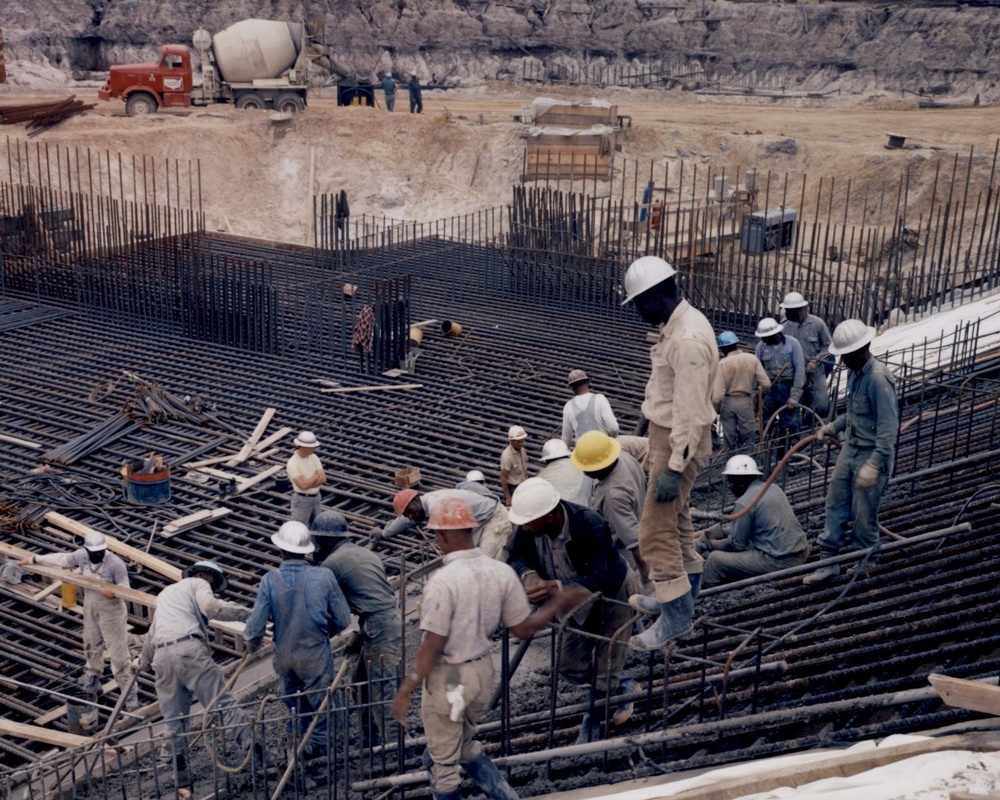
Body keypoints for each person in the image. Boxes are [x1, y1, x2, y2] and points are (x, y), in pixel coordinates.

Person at [392, 497, 587, 800]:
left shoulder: (442, 582)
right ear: (472, 529)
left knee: (443, 766)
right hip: (482, 675)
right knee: (465, 743)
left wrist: (407, 688)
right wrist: (556, 605)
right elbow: (521, 629)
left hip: (450, 681)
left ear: (442, 536)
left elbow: (433, 645)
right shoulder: (500, 572)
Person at [620, 256, 718, 651]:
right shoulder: (676, 326)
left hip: (680, 444)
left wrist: (675, 467)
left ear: (659, 294)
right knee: (676, 522)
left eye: (641, 303)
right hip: (669, 437)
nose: (640, 312)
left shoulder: (687, 340)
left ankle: (675, 619)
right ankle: (679, 598)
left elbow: (691, 413)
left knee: (655, 532)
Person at [506, 478, 638, 743]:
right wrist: (529, 576)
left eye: (530, 522)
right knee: (570, 666)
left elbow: (602, 578)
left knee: (606, 662)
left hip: (611, 594)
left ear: (550, 516)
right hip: (570, 600)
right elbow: (515, 556)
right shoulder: (530, 528)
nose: (525, 527)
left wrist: (554, 586)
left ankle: (593, 721)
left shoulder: (590, 524)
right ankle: (622, 684)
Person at [138, 561, 267, 774]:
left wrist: (141, 664)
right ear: (206, 576)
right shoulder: (198, 584)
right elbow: (212, 608)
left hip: (162, 657)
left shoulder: (166, 594)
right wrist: (249, 614)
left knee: (174, 718)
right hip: (188, 649)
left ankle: (179, 773)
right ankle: (258, 754)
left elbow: (152, 635)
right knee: (222, 704)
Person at [244, 522, 350, 761]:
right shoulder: (324, 576)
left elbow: (254, 627)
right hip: (313, 654)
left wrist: (251, 641)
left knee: (294, 707)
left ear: (281, 550)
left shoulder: (270, 580)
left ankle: (296, 749)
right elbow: (343, 619)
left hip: (283, 657)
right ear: (308, 550)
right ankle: (318, 752)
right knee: (322, 706)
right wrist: (323, 632)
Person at [804, 319, 898, 585]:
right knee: (835, 500)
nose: (842, 360)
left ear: (861, 350)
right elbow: (855, 412)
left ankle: (867, 561)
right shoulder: (855, 372)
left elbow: (888, 429)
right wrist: (833, 427)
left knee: (863, 510)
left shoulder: (879, 379)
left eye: (845, 355)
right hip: (852, 448)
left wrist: (875, 463)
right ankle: (829, 562)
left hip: (872, 453)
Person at [18, 532, 138, 710]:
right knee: (91, 643)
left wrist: (114, 590)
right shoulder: (81, 557)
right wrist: (34, 559)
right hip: (90, 605)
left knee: (118, 653)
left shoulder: (115, 563)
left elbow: (126, 588)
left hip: (111, 611)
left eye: (101, 552)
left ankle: (129, 695)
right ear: (87, 550)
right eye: (94, 552)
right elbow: (61, 559)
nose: (97, 555)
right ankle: (93, 680)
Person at [312, 511, 402, 748]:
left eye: (318, 540)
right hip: (381, 621)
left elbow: (328, 606)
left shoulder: (332, 563)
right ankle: (369, 737)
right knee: (360, 680)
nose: (316, 546)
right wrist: (361, 635)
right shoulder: (362, 552)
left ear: (326, 539)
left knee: (383, 690)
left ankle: (398, 748)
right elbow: (371, 596)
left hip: (379, 624)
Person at [696, 455, 809, 587]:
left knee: (715, 559)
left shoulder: (744, 502)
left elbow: (736, 545)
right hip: (801, 551)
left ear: (740, 481)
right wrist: (721, 530)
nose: (729, 486)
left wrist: (709, 544)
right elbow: (756, 527)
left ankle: (710, 593)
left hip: (780, 561)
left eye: (731, 481)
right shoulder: (772, 488)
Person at [570, 431, 649, 584]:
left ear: (596, 468)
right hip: (640, 519)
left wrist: (647, 580)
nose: (584, 471)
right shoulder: (624, 458)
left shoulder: (613, 496)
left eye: (586, 467)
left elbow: (634, 542)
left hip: (624, 554)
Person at [386, 488, 512, 561]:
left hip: (494, 517)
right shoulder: (422, 504)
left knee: (484, 562)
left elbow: (454, 541)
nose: (411, 516)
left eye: (410, 512)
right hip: (479, 520)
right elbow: (406, 520)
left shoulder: (436, 507)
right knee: (469, 560)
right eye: (407, 514)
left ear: (416, 499)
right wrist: (384, 533)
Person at [712, 330, 771, 452]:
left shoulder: (722, 364)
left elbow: (717, 396)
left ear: (722, 349)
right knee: (747, 436)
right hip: (746, 401)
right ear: (736, 344)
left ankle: (730, 462)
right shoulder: (752, 359)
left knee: (729, 437)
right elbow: (766, 384)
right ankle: (746, 461)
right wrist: (756, 397)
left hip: (728, 403)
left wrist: (713, 411)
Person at [754, 317, 806, 452]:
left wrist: (794, 396)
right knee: (765, 419)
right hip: (770, 387)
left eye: (766, 337)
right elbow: (757, 369)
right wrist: (756, 394)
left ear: (775, 334)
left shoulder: (792, 344)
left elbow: (800, 369)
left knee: (789, 421)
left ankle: (787, 451)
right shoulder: (761, 346)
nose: (763, 340)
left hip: (787, 387)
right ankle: (766, 448)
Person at [780, 292, 833, 417]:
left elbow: (829, 346)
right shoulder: (785, 326)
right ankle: (800, 428)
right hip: (795, 373)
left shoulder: (817, 324)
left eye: (789, 311)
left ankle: (810, 424)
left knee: (820, 405)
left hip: (815, 371)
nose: (787, 314)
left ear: (800, 310)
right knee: (794, 405)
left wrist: (816, 360)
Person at [561, 369, 619, 446]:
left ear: (572, 388)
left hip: (583, 452)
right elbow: (614, 428)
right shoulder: (600, 398)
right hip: (604, 447)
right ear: (588, 382)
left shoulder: (568, 406)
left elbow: (566, 439)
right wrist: (610, 440)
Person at [537, 438, 594, 507]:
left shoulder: (541, 477)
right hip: (584, 512)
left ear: (546, 460)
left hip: (559, 514)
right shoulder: (583, 468)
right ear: (567, 454)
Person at [287, 431, 326, 527]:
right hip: (302, 500)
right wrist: (315, 477)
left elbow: (323, 479)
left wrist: (308, 482)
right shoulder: (292, 463)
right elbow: (302, 485)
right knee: (298, 528)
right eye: (312, 447)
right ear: (303, 447)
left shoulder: (314, 457)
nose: (314, 449)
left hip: (316, 497)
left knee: (317, 526)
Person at [499, 425, 529, 505]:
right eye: (518, 441)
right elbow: (503, 478)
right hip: (514, 488)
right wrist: (508, 498)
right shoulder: (507, 456)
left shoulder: (522, 451)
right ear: (511, 441)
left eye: (522, 441)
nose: (521, 444)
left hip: (523, 485)